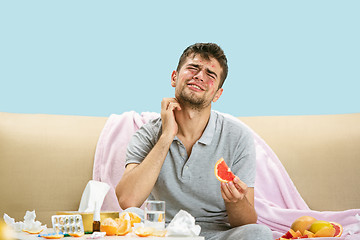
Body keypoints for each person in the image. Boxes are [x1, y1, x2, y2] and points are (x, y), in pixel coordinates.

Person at [115, 43, 273, 240]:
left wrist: (236, 201)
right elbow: (128, 200)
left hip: (216, 234)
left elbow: (247, 222)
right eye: (193, 68)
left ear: (217, 94)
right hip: (163, 233)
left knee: (259, 233)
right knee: (131, 216)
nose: (199, 76)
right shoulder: (148, 134)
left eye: (210, 75)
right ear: (174, 77)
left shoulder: (238, 137)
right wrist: (166, 136)